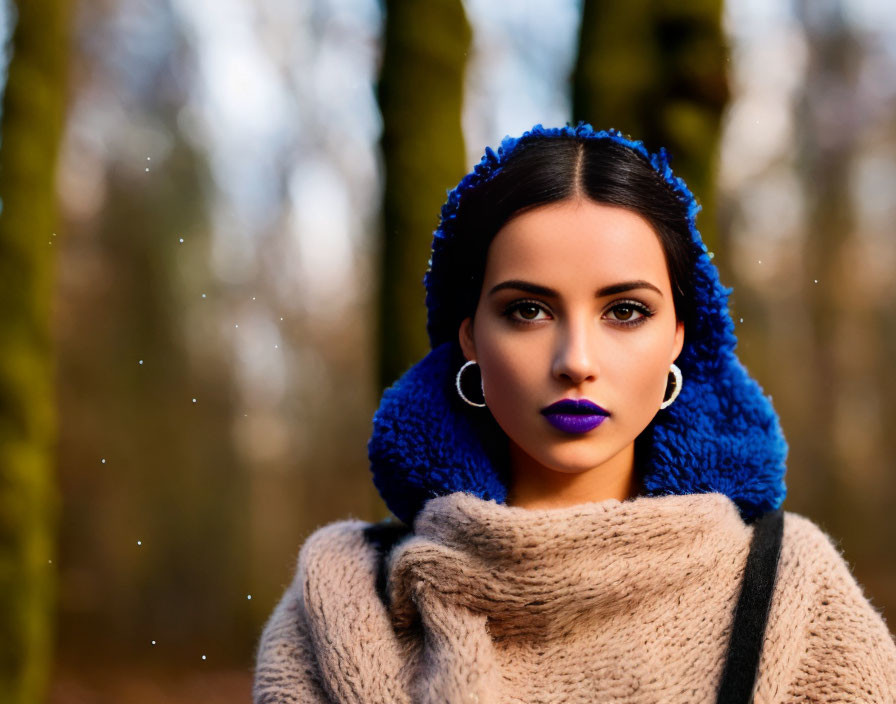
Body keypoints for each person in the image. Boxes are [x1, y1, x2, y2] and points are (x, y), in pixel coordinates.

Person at [252, 123, 896, 703]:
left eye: (625, 311)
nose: (576, 361)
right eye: (528, 310)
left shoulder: (790, 589)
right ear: (471, 337)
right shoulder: (339, 598)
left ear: (679, 334)